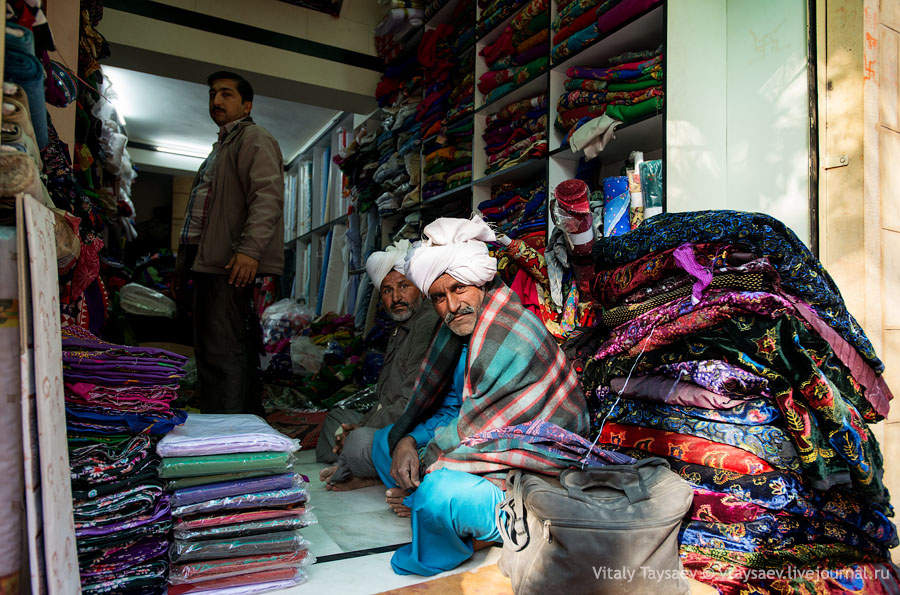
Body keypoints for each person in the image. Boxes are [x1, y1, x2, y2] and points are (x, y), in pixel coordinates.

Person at [368, 214, 589, 577]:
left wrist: (424, 473)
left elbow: (478, 427)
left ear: (480, 283)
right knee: (385, 444)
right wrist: (409, 439)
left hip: (531, 470)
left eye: (459, 290)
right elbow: (457, 410)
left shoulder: (509, 337)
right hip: (483, 443)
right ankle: (438, 511)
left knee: (436, 494)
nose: (451, 307)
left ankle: (479, 528)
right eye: (439, 297)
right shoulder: (457, 334)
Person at [176, 71, 284, 414]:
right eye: (213, 94)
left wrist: (249, 251)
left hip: (229, 261)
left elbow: (267, 196)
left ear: (246, 105)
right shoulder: (222, 147)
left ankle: (228, 430)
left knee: (224, 349)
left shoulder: (253, 139)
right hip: (209, 260)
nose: (216, 101)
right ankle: (229, 423)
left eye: (226, 95)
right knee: (213, 347)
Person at [318, 240, 441, 491]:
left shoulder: (426, 324)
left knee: (358, 440)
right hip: (389, 420)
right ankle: (353, 461)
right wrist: (359, 424)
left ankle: (360, 469)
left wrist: (361, 429)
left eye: (404, 286)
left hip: (414, 426)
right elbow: (385, 398)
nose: (396, 297)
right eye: (387, 290)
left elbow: (409, 403)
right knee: (337, 419)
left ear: (419, 287)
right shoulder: (399, 328)